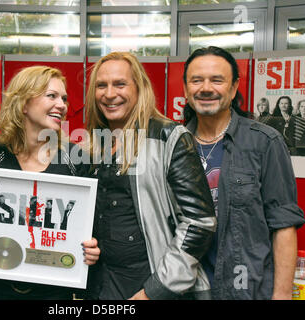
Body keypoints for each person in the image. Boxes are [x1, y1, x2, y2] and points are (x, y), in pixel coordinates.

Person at [84, 52, 216, 300]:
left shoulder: (168, 136)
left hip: (150, 284)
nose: (110, 94)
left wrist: (154, 291)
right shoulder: (94, 145)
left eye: (120, 84)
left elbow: (200, 222)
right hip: (102, 284)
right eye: (101, 85)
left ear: (139, 87)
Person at [0, 65, 100, 300]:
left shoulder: (76, 159)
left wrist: (91, 249)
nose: (62, 105)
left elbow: (86, 228)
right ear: (24, 104)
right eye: (52, 96)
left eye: (64, 98)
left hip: (54, 293)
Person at [183, 46, 305, 300]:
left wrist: (282, 295)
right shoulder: (173, 144)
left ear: (234, 86)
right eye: (197, 80)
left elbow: (284, 224)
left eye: (217, 80)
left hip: (245, 291)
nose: (206, 88)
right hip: (184, 290)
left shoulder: (265, 142)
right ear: (186, 88)